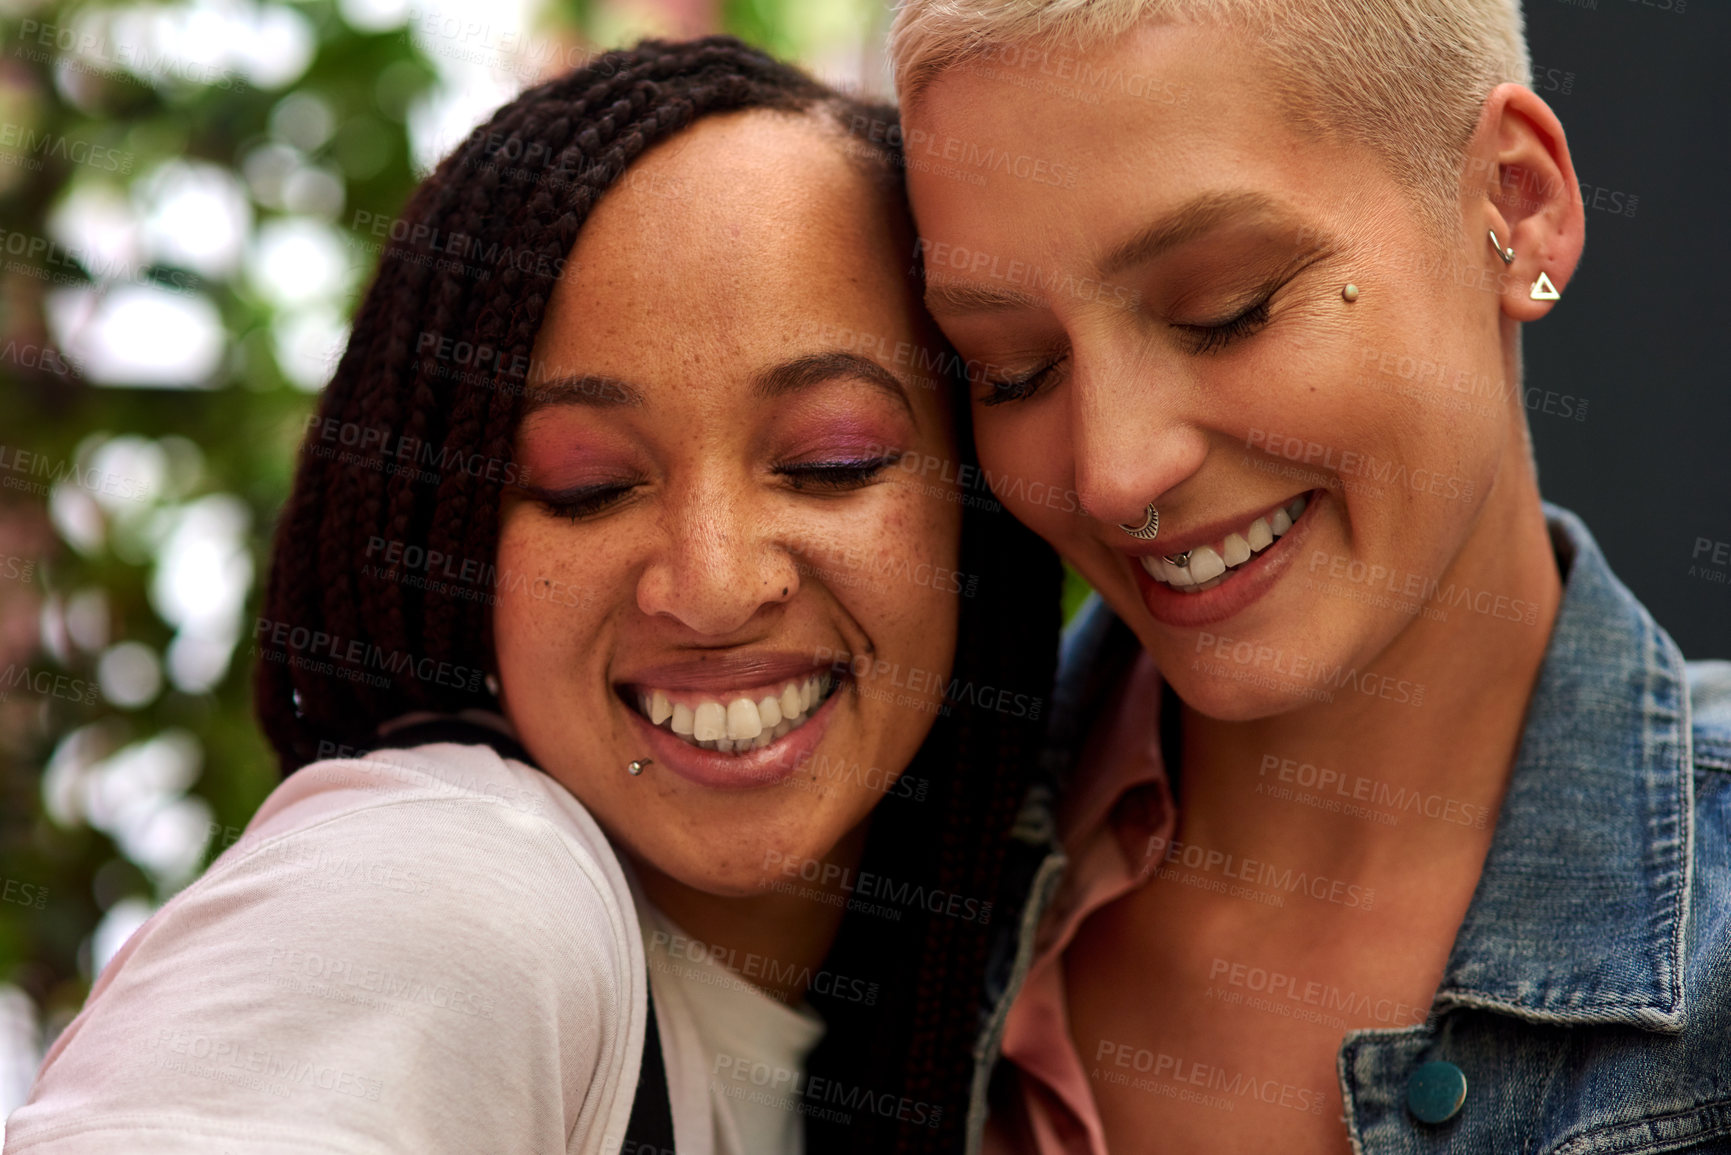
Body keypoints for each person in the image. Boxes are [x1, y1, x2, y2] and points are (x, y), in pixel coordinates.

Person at [2, 38, 1058, 1155]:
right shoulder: (458, 889)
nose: (711, 585)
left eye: (831, 461)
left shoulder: (924, 1010)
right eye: (586, 486)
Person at [886, 1, 1731, 1152]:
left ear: (1514, 206)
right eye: (1013, 372)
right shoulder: (878, 887)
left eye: (1223, 313)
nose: (1113, 473)